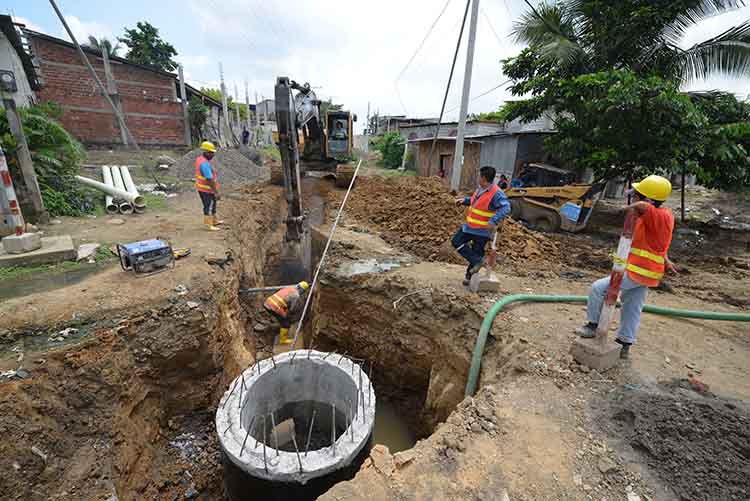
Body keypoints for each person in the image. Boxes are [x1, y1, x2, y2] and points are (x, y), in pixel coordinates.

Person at [575, 175, 677, 359]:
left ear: (647, 199)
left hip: (637, 270)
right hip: (648, 272)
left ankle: (592, 325)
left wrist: (625, 208)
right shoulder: (665, 216)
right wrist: (666, 260)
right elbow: (659, 243)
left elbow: (643, 206)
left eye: (636, 195)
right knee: (633, 306)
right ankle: (625, 343)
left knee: (598, 289)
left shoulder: (653, 213)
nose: (634, 198)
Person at [452, 166, 511, 286]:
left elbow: (506, 207)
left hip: (482, 230)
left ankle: (470, 277)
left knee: (477, 252)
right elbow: (476, 202)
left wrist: (493, 221)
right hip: (470, 226)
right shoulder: (481, 188)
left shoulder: (496, 193)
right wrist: (464, 200)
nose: (478, 178)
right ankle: (477, 262)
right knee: (456, 241)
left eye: (479, 176)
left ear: (483, 178)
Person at [263, 281, 310, 345]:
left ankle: (278, 324)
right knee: (286, 322)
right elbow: (292, 308)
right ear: (302, 290)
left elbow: (285, 300)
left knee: (283, 314)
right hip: (274, 307)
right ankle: (283, 340)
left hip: (267, 303)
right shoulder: (296, 295)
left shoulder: (289, 288)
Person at [195, 141, 222, 231]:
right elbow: (209, 179)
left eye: (213, 153)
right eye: (211, 153)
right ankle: (208, 225)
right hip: (206, 189)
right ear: (205, 152)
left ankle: (214, 220)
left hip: (205, 188)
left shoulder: (200, 159)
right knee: (208, 206)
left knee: (213, 204)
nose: (213, 155)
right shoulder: (204, 164)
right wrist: (216, 192)